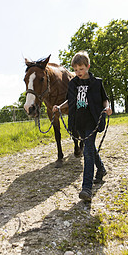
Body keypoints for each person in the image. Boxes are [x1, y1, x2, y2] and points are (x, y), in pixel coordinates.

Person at [53, 51, 112, 202]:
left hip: (92, 120)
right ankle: (102, 169)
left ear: (88, 66)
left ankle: (86, 188)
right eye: (76, 69)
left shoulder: (97, 83)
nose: (78, 72)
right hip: (78, 121)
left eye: (81, 69)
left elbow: (105, 100)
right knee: (89, 148)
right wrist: (59, 107)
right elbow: (70, 101)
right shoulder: (73, 84)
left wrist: (108, 107)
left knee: (87, 152)